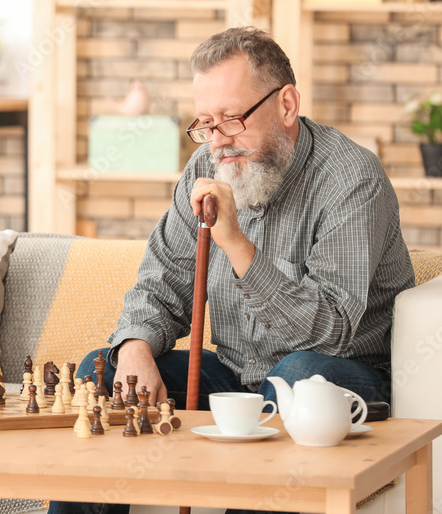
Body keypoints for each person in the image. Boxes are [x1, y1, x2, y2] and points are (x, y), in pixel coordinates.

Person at [49, 26, 414, 514]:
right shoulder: (205, 165)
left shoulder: (351, 178)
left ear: (286, 105)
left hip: (343, 378)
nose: (217, 142)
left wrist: (237, 244)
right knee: (109, 369)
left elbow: (331, 332)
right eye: (205, 123)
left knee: (297, 375)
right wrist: (135, 345)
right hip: (236, 376)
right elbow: (162, 281)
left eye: (231, 119)